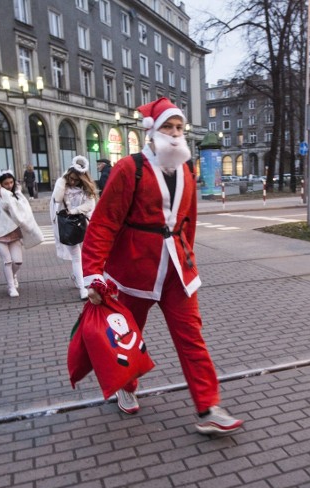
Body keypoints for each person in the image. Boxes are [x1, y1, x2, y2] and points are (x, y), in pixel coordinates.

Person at [81, 97, 243, 436]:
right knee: (127, 338)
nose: (174, 133)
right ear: (152, 132)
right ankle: (126, 385)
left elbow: (189, 223)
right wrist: (94, 272)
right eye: (167, 127)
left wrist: (188, 258)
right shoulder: (130, 168)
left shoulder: (186, 170)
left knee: (192, 338)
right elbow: (104, 223)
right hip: (133, 272)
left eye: (179, 128)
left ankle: (209, 406)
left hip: (176, 274)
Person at [51, 156, 98, 300]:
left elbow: (90, 205)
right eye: (70, 178)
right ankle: (83, 288)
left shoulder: (85, 189)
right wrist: (61, 182)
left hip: (83, 222)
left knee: (86, 253)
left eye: (76, 180)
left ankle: (76, 276)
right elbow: (57, 199)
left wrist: (75, 211)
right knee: (76, 255)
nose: (72, 182)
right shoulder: (63, 184)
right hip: (67, 224)